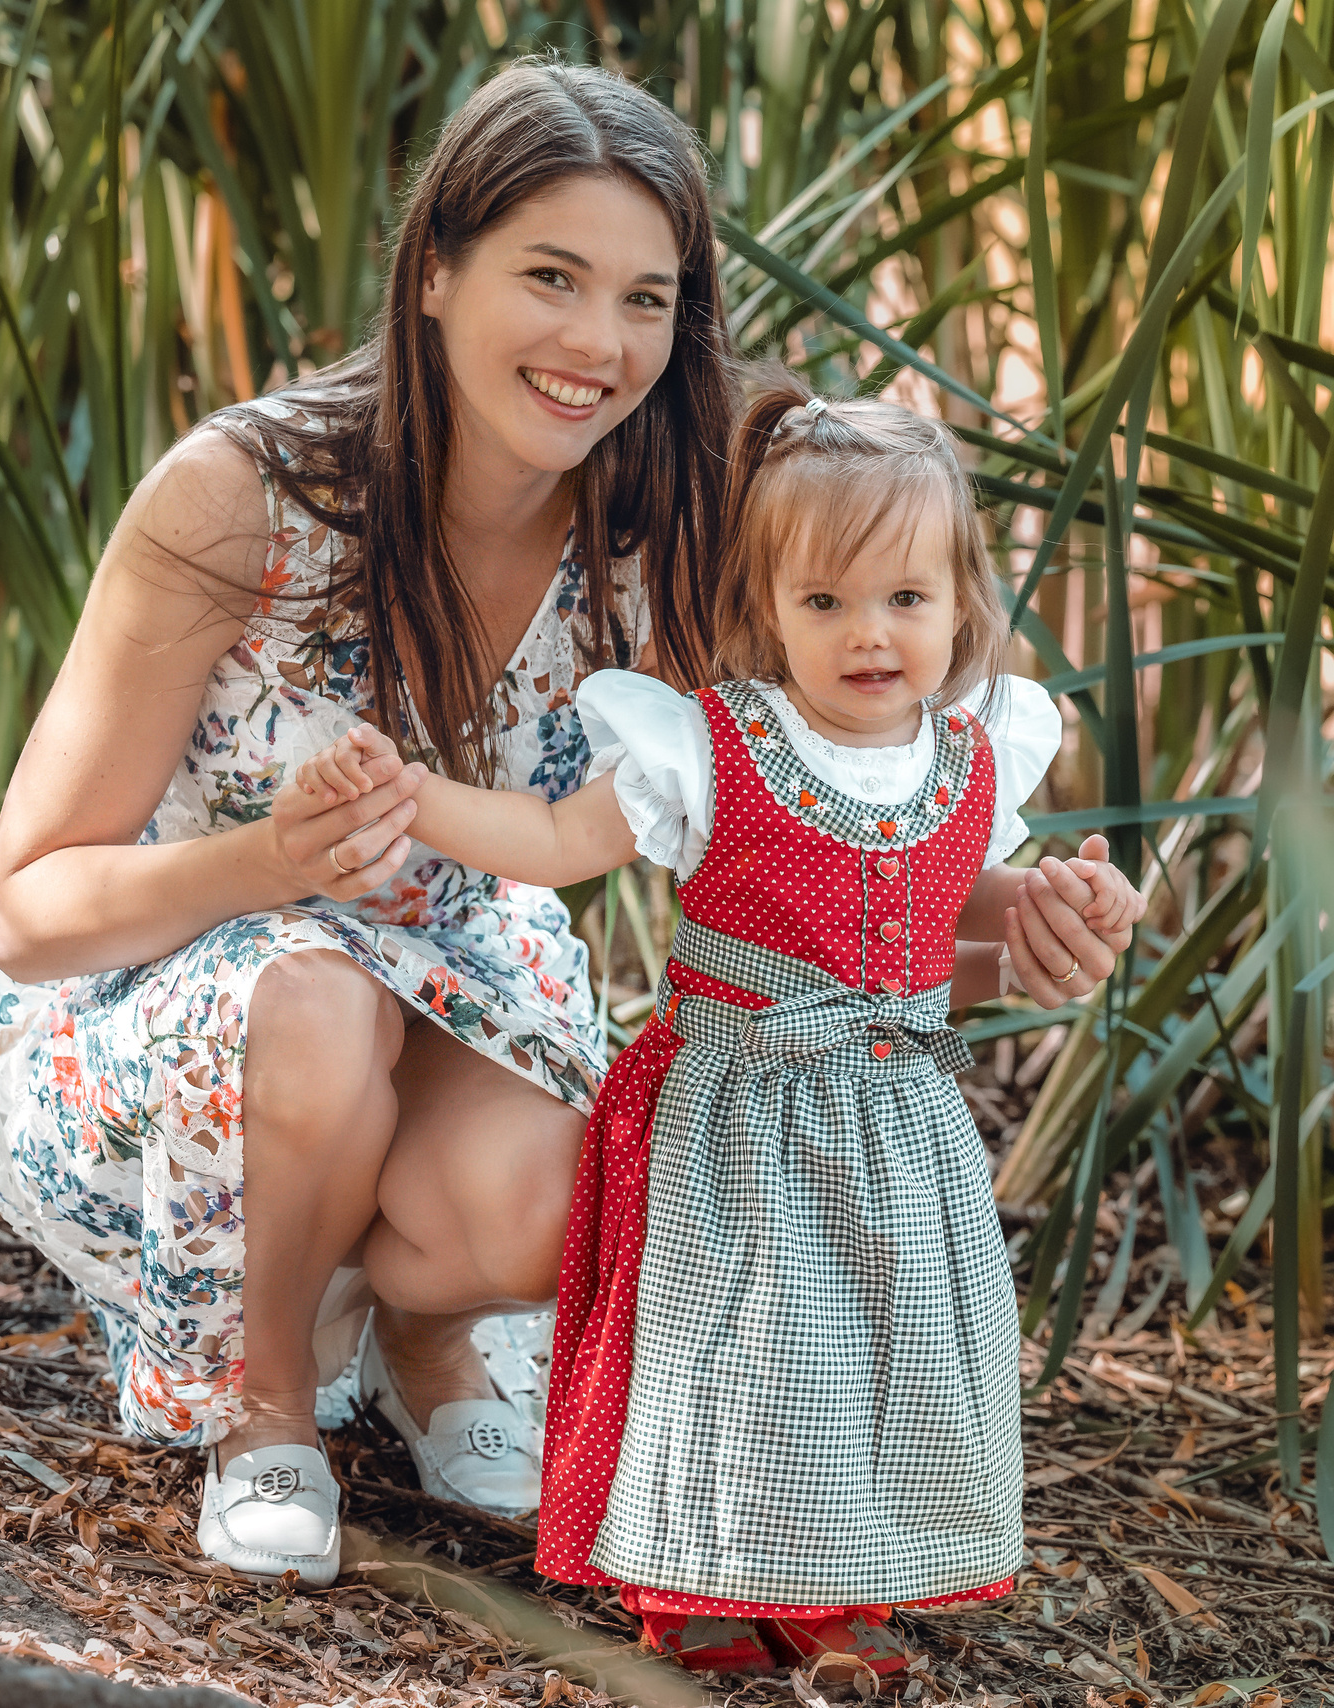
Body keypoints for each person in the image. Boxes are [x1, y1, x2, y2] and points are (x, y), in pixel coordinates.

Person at [0, 60, 1129, 1591]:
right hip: (172, 991)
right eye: (549, 277)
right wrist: (274, 861)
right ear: (435, 267)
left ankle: (432, 1337)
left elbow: (794, 817)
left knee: (576, 1179)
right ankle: (266, 1408)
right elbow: (27, 911)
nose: (597, 345)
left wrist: (1009, 910)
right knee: (313, 991)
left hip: (464, 975)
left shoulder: (675, 524)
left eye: (647, 299)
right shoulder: (241, 499)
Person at [288, 372, 1143, 1675]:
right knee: (739, 1348)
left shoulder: (975, 753)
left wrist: (1055, 908)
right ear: (767, 609)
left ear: (962, 596)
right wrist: (415, 795)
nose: (872, 634)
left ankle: (845, 1576)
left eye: (906, 598)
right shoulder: (716, 749)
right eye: (826, 602)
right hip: (738, 1111)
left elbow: (942, 917)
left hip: (895, 1117)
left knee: (878, 1341)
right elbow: (556, 838)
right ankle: (698, 1579)